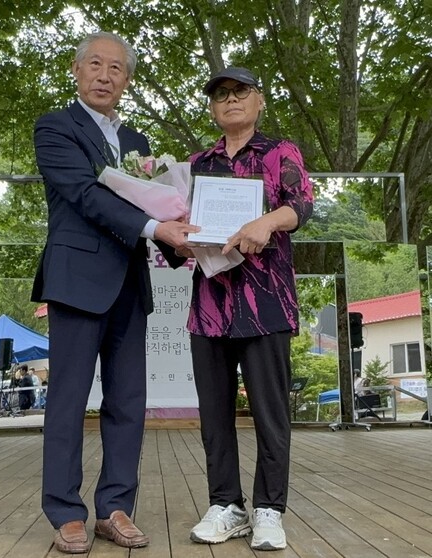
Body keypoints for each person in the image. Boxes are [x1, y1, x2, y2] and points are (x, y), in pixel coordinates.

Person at [32, 31, 197, 554]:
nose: (105, 76)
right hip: (76, 281)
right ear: (77, 71)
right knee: (68, 400)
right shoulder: (55, 127)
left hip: (130, 283)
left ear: (128, 80)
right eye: (95, 65)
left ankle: (116, 508)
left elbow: (157, 211)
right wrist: (157, 231)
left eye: (117, 69)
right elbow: (82, 194)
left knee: (129, 401)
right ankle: (65, 511)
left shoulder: (138, 145)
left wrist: (188, 244)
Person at [185, 67, 313, 551]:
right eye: (221, 94)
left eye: (241, 92)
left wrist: (267, 221)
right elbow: (184, 225)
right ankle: (226, 505)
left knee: (269, 412)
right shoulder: (199, 163)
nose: (231, 100)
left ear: (259, 101)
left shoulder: (282, 152)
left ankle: (268, 510)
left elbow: (302, 205)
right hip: (209, 305)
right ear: (213, 108)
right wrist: (180, 240)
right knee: (213, 414)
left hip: (266, 303)